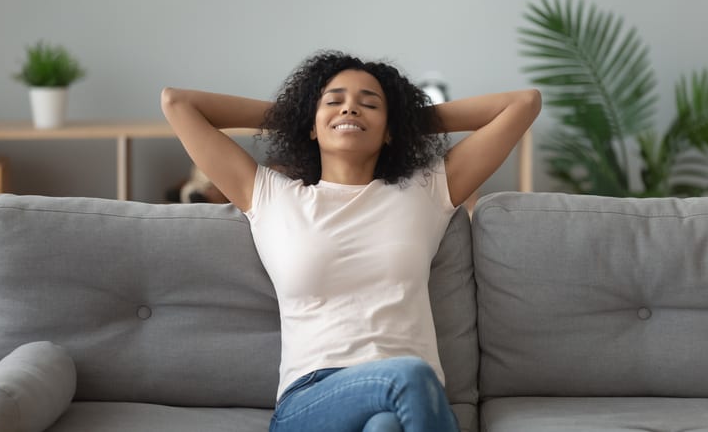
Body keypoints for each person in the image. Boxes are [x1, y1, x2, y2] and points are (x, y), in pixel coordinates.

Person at [161, 50, 541, 432]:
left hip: (410, 400)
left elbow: (523, 103)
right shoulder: (270, 196)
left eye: (369, 104)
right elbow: (178, 103)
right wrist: (298, 113)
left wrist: (405, 119)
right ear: (312, 122)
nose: (350, 110)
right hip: (312, 399)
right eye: (334, 101)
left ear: (390, 128)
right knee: (408, 376)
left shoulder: (425, 192)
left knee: (385, 426)